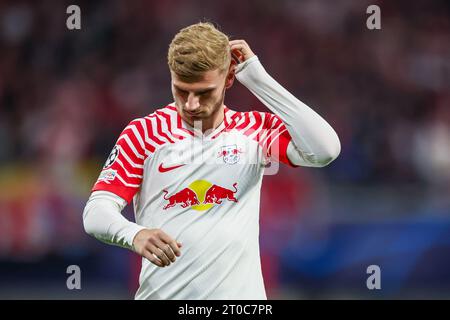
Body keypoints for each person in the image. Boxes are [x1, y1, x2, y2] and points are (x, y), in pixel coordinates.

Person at [82, 22, 341, 300]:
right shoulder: (145, 133)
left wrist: (259, 79)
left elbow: (324, 149)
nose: (191, 104)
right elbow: (96, 212)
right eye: (181, 90)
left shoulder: (253, 129)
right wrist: (134, 234)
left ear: (229, 78)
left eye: (204, 92)